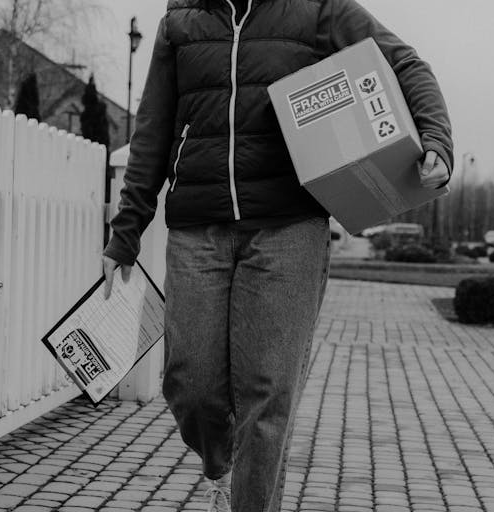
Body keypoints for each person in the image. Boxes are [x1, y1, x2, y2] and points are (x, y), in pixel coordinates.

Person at [102, 1, 452, 510]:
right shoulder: (180, 22)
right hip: (199, 224)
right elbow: (152, 131)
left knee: (267, 399)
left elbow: (405, 65)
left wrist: (435, 136)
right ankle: (221, 464)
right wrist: (126, 231)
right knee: (191, 384)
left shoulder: (317, 10)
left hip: (289, 228)